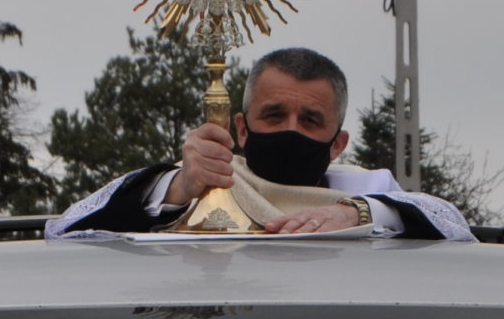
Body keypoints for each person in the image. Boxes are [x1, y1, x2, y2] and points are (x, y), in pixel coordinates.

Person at [46, 47, 476, 240]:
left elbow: (455, 230)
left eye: (310, 120)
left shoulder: (369, 192)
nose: (291, 130)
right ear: (242, 128)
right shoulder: (198, 186)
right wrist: (178, 188)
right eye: (273, 115)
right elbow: (64, 230)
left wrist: (357, 214)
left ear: (338, 143)